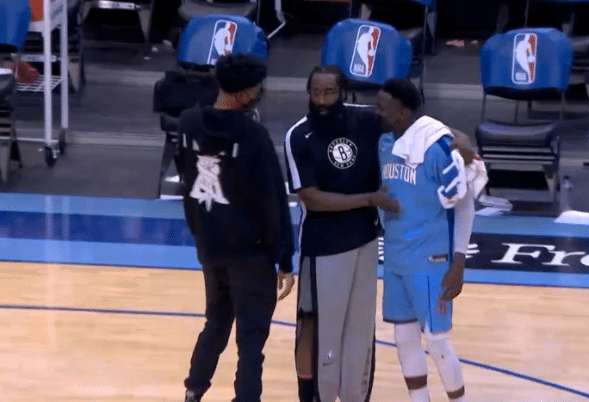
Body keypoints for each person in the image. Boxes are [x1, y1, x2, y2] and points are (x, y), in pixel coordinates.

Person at [176, 53, 296, 402]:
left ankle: (193, 391)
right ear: (246, 92)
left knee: (215, 322)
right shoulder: (253, 135)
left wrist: (200, 233)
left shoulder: (188, 123)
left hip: (210, 245)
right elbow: (272, 200)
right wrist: (284, 257)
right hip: (250, 252)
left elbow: (186, 181)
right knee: (251, 341)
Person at [283, 64, 401, 402]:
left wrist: (450, 137)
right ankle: (312, 396)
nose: (321, 100)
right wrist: (369, 199)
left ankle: (355, 395)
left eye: (329, 92)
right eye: (315, 92)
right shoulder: (298, 136)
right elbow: (311, 198)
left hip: (365, 239)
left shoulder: (365, 119)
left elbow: (407, 119)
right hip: (322, 246)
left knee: (360, 330)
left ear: (343, 92)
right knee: (315, 326)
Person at [374, 78, 478, 402]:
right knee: (403, 337)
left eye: (382, 107)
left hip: (431, 259)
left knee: (436, 340)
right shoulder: (383, 142)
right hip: (395, 256)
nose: (376, 112)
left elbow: (465, 205)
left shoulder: (437, 147)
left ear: (402, 112)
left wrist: (458, 261)